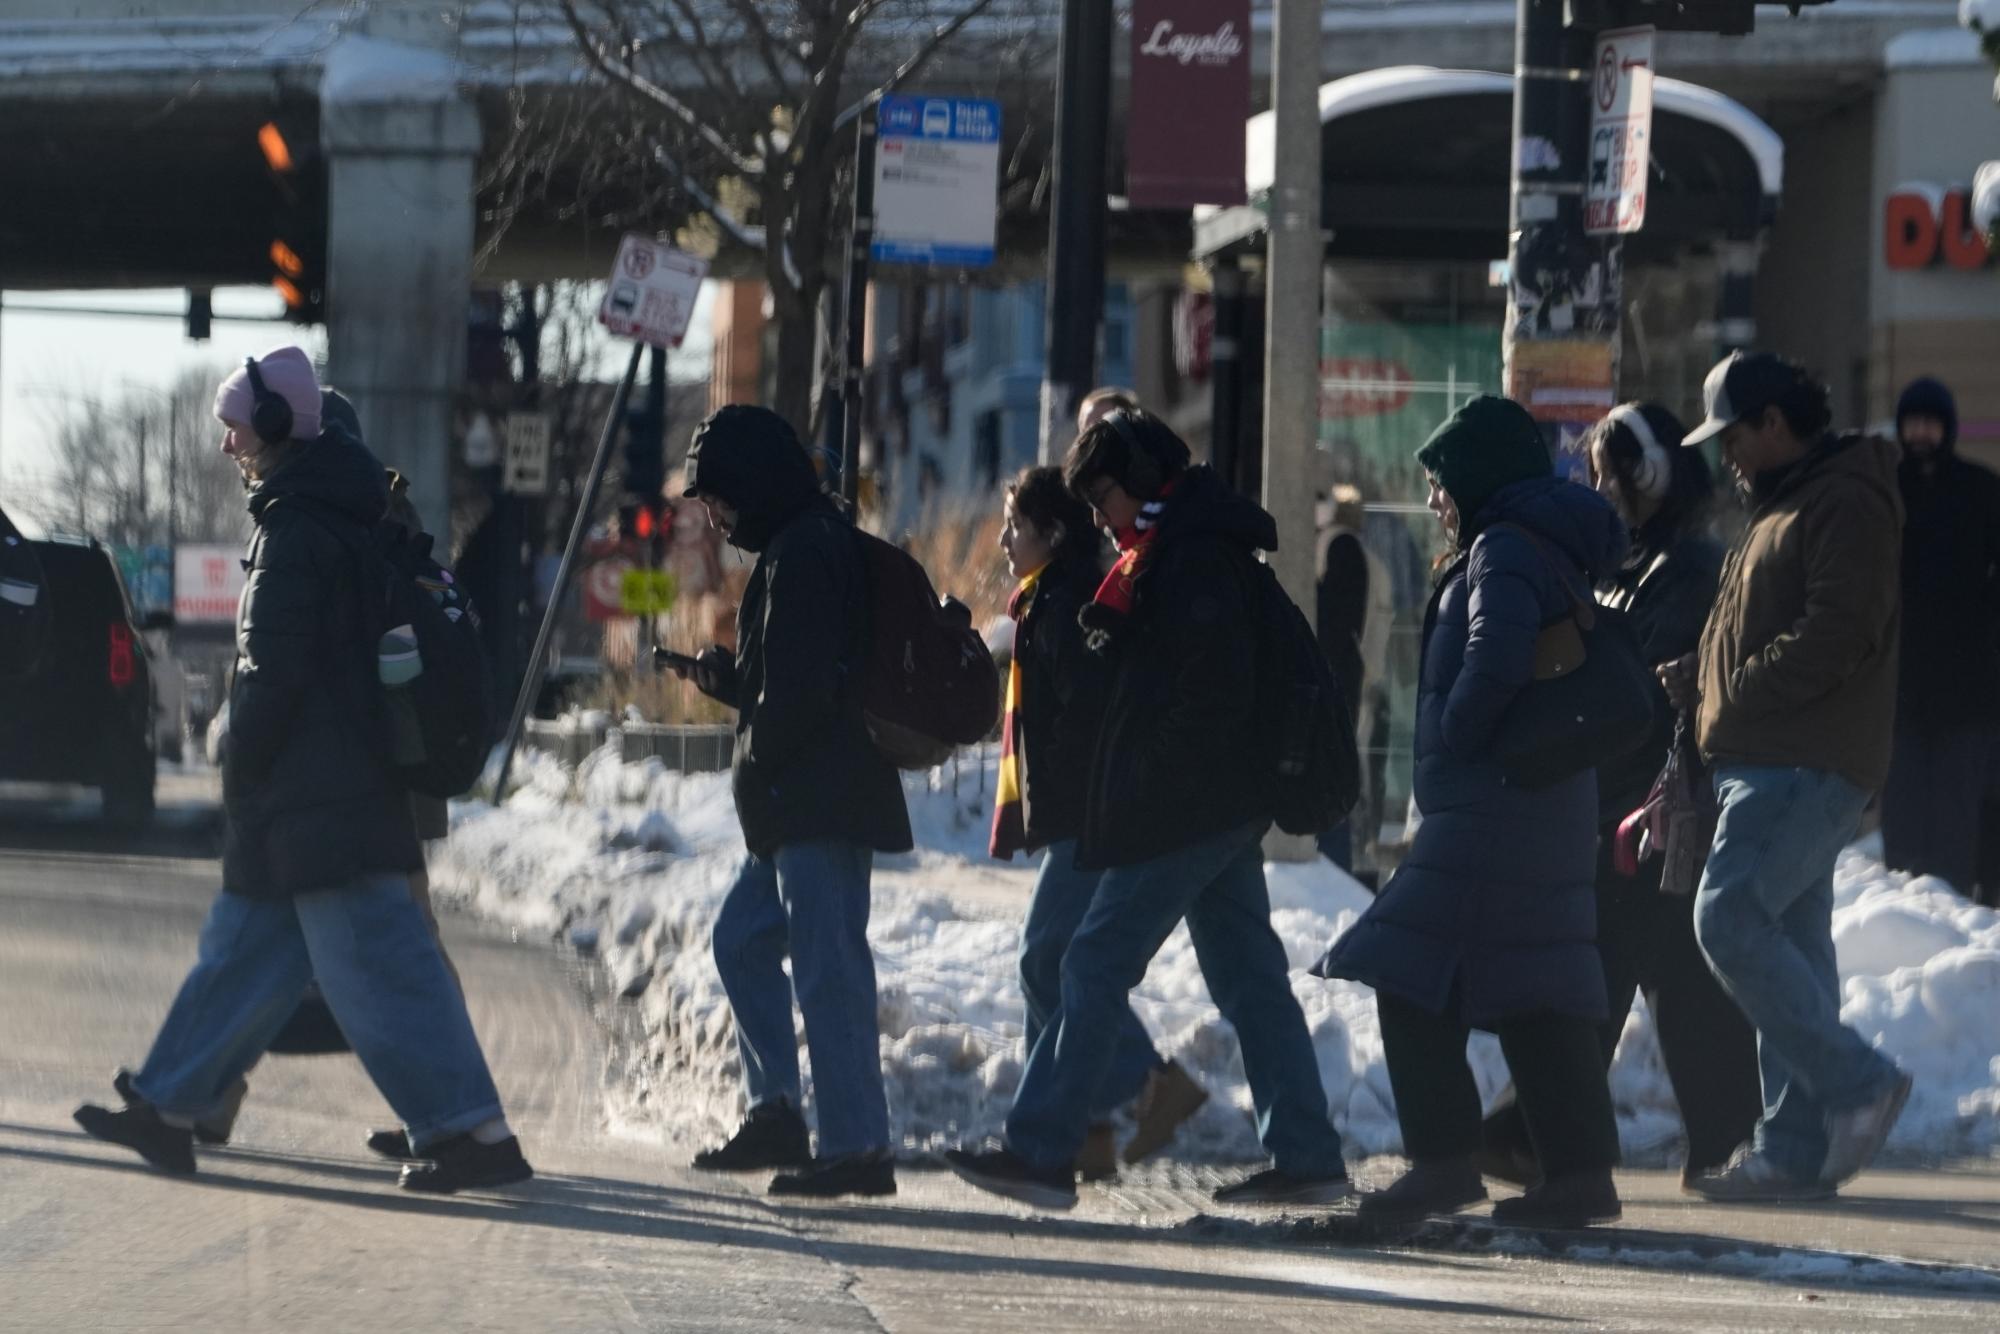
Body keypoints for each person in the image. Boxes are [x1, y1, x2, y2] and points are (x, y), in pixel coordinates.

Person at [73, 347, 529, 1193]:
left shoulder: (296, 529)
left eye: (236, 428)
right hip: (327, 788)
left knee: (383, 973)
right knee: (244, 952)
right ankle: (171, 1105)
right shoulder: (331, 510)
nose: (227, 446)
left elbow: (269, 673)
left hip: (323, 793)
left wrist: (240, 762)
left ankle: (474, 1134)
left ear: (278, 426)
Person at [945, 409, 1351, 1211]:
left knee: (1090, 963)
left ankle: (1043, 1149)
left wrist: (1140, 789)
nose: (1097, 517)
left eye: (1103, 496)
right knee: (1248, 977)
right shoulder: (1179, 548)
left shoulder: (1192, 560)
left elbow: (1205, 703)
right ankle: (1307, 1154)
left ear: (1139, 481)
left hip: (1190, 807)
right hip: (1217, 804)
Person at [1317, 395, 1628, 1230]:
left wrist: (1458, 732)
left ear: (1479, 478)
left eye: (1441, 482)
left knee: (1402, 966)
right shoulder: (1538, 546)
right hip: (1532, 811)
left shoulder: (1502, 552)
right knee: (1537, 986)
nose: (1433, 500)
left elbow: (1494, 655)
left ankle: (1445, 1162)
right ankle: (1579, 1176)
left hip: (1494, 812)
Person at [1477, 402, 1761, 1189]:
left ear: (1649, 477)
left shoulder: (1689, 569)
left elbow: (1642, 685)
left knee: (1602, 972)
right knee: (1677, 978)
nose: (1598, 487)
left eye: (1608, 472)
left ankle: (1531, 1131)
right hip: (1631, 807)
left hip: (1653, 807)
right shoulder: (1627, 567)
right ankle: (1723, 1141)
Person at [1661, 351, 1913, 1202]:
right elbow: (1771, 626)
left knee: (1728, 917)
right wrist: (1702, 676)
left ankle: (1858, 1084)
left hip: (1802, 759)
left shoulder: (1843, 497)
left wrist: (1739, 688)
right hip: (1772, 756)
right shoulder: (1785, 501)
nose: (1723, 454)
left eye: (1731, 434)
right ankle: (1795, 1151)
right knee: (1793, 949)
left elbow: (1839, 630)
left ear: (1774, 422)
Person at [671, 404, 913, 1199]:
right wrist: (730, 680)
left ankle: (856, 1149)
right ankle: (778, 1111)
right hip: (795, 802)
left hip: (821, 798)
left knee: (828, 971)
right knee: (743, 941)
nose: (717, 515)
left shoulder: (809, 550)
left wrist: (763, 754)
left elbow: (807, 693)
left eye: (721, 498)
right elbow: (793, 680)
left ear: (753, 482)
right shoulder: (793, 545)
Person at [989, 465, 1207, 1183]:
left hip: (1094, 816)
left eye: (1014, 528)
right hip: (1082, 814)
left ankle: (1148, 1083)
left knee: (1049, 960)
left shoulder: (1069, 601)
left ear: (1052, 532)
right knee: (1049, 963)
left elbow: (1088, 722)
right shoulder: (1051, 595)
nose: (1002, 542)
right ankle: (1084, 1130)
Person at [1878, 377, 2000, 900]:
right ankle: (1902, 921)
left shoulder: (1982, 491)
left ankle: (1951, 923)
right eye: (1912, 422)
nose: (1920, 433)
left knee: (1956, 819)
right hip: (1900, 689)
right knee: (1903, 818)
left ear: (1946, 427)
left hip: (1968, 691)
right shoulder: (1886, 491)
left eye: (1930, 422)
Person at [1315, 484, 1392, 873]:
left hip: (1336, 685)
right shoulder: (1362, 553)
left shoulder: (1334, 548)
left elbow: (1333, 623)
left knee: (1336, 778)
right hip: (1356, 679)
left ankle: (1339, 864)